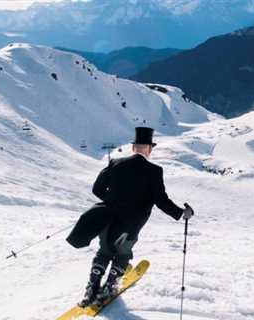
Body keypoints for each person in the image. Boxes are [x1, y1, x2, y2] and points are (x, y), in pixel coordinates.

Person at [66, 127, 194, 307]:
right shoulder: (154, 170)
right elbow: (161, 201)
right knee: (122, 253)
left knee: (104, 252)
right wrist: (182, 213)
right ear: (149, 149)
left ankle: (91, 291)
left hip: (107, 217)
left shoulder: (115, 163)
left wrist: (114, 201)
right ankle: (109, 288)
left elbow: (97, 189)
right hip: (132, 223)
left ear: (134, 148)